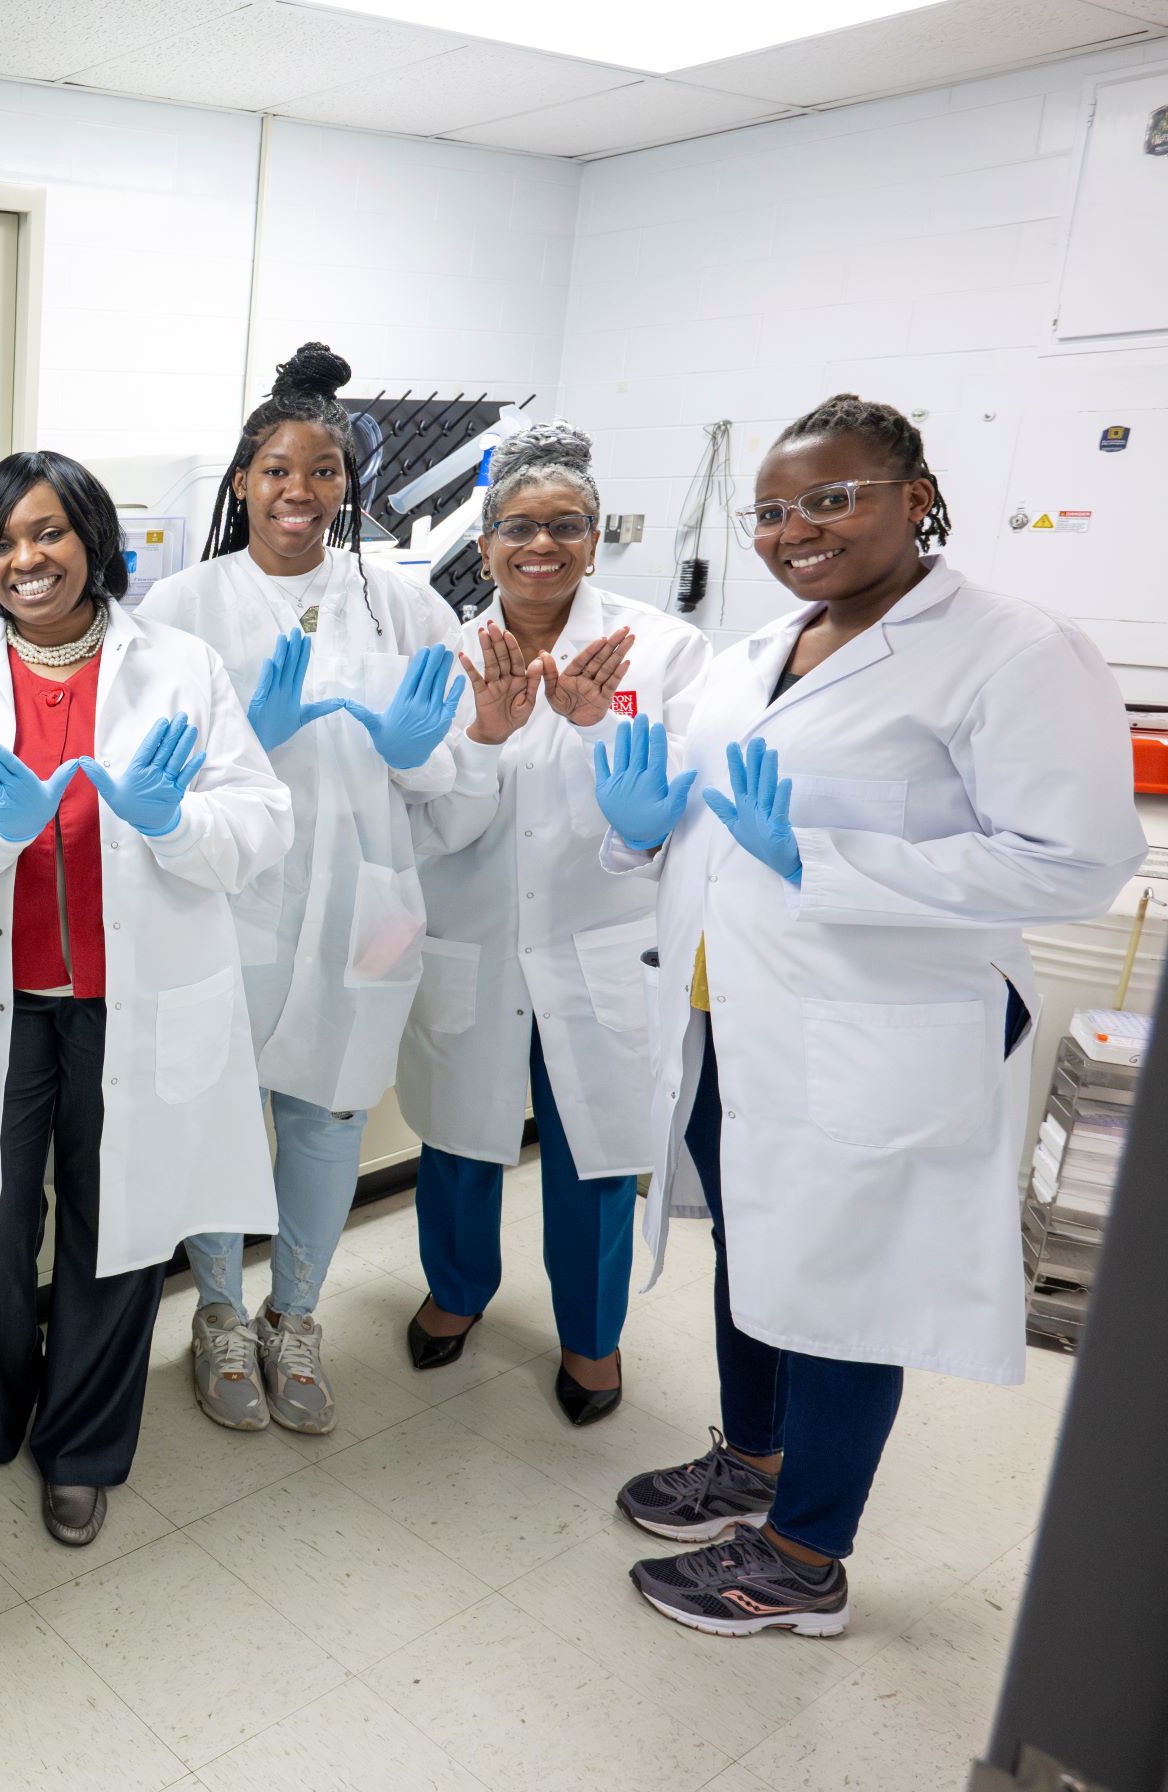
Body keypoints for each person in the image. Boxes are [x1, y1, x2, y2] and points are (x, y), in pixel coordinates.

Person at [590, 394, 1140, 1637]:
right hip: (736, 1015)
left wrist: (824, 863)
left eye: (832, 498)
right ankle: (755, 1458)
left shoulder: (1012, 647)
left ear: (913, 495)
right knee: (758, 1246)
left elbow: (1075, 860)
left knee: (845, 1281)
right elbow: (704, 817)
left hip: (880, 1030)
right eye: (774, 510)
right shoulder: (756, 651)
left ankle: (804, 1553)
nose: (798, 530)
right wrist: (636, 833)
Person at [0, 452, 292, 1547]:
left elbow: (263, 817)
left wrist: (174, 820)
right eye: (1, 538)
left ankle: (81, 1444)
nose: (25, 558)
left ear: (93, 539)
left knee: (113, 1226)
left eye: (48, 532)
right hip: (0, 995)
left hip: (136, 1000)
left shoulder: (180, 667)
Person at [142, 342, 466, 1438]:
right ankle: (222, 1316)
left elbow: (449, 781)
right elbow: (149, 774)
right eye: (277, 468)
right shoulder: (181, 606)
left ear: (347, 487)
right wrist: (250, 742)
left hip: (362, 899)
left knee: (328, 1116)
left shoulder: (403, 606)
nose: (299, 489)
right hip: (225, 899)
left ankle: (297, 1314)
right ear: (241, 480)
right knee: (218, 1116)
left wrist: (420, 751)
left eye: (322, 469)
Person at [398, 424, 711, 1425]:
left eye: (567, 525)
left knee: (596, 1154)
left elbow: (683, 811)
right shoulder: (443, 656)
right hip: (475, 937)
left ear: (593, 535)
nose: (543, 545)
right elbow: (431, 828)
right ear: (484, 541)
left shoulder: (661, 650)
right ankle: (455, 1291)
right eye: (519, 528)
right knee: (458, 1139)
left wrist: (598, 723)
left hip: (603, 941)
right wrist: (485, 740)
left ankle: (591, 1336)